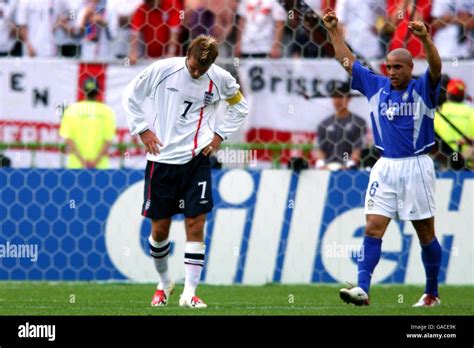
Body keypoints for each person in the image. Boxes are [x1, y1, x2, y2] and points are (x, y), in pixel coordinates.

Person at [323, 11, 443, 307]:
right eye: (388, 66)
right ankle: (362, 288)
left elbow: (436, 67)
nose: (391, 71)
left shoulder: (422, 89)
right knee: (373, 227)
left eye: (397, 67)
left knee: (425, 232)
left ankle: (431, 293)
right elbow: (346, 61)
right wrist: (333, 31)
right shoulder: (376, 86)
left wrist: (425, 38)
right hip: (385, 167)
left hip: (416, 165)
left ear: (410, 68)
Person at [122, 35, 248, 308]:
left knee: (195, 223)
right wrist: (142, 129)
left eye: (201, 70)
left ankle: (189, 293)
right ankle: (164, 282)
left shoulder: (220, 78)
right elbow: (130, 95)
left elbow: (240, 106)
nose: (196, 72)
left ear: (211, 65)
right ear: (188, 53)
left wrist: (219, 136)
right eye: (193, 65)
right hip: (162, 160)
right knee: (159, 230)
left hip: (196, 159)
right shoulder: (162, 69)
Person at [59, 78, 116, 169]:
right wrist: (95, 161)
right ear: (98, 91)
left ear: (83, 90)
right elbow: (108, 140)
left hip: (76, 165)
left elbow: (68, 139)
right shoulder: (107, 111)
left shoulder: (71, 110)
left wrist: (82, 161)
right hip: (100, 167)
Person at [316, 80, 367, 170]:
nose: (337, 100)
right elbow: (320, 149)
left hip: (350, 171)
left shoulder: (359, 123)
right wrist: (321, 165)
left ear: (349, 98)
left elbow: (358, 148)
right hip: (327, 170)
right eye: (334, 96)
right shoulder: (324, 124)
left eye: (340, 96)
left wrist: (349, 165)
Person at [434, 78, 474, 169]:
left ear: (447, 94)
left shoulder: (437, 115)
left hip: (443, 166)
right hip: (469, 166)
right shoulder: (472, 113)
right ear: (463, 95)